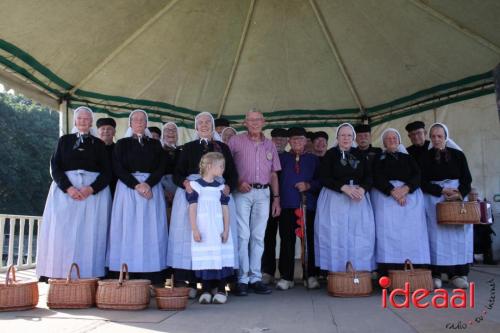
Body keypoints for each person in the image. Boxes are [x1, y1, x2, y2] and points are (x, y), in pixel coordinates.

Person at [168, 112, 239, 299]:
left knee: (218, 236)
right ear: (196, 127)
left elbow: (232, 173)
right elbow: (177, 173)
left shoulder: (222, 147)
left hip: (217, 196)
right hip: (193, 195)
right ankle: (192, 282)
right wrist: (186, 184)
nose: (205, 125)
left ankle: (218, 283)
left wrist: (228, 187)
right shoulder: (187, 148)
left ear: (213, 126)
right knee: (192, 237)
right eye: (201, 123)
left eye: (208, 122)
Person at [37, 106, 111, 280]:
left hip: (92, 195)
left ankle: (88, 275)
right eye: (80, 119)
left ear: (91, 121)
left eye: (87, 119)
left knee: (90, 234)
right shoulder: (64, 141)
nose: (83, 121)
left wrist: (91, 188)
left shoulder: (99, 144)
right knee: (63, 233)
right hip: (66, 193)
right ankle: (59, 273)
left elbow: (108, 171)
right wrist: (68, 187)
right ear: (75, 121)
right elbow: (55, 167)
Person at [107, 110, 168, 285]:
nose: (139, 122)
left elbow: (161, 166)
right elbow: (118, 167)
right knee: (128, 229)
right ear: (130, 123)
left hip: (151, 189)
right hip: (128, 189)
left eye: (143, 120)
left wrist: (148, 183)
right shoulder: (122, 144)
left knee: (151, 230)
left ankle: (152, 273)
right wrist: (137, 185)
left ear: (146, 123)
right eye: (136, 120)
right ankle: (126, 272)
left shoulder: (156, 145)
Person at [228, 108, 281, 296]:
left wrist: (276, 198)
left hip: (264, 193)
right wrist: (236, 182)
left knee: (259, 236)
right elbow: (226, 168)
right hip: (242, 192)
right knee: (243, 235)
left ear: (264, 122)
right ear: (245, 123)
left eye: (258, 119)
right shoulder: (235, 141)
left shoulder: (270, 145)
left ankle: (255, 278)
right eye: (251, 120)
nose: (255, 123)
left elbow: (274, 173)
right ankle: (242, 279)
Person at [315, 123, 375, 273]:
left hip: (358, 198)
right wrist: (343, 187)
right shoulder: (331, 154)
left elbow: (369, 176)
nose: (346, 138)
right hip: (334, 198)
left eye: (349, 135)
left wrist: (363, 189)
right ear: (337, 137)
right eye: (343, 135)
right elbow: (324, 177)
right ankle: (336, 270)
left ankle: (358, 270)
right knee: (335, 233)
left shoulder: (360, 154)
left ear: (353, 137)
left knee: (358, 234)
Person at [371, 128, 430, 276]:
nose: (392, 140)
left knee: (411, 234)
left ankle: (413, 272)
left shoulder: (408, 158)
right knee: (388, 235)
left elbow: (417, 175)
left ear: (399, 141)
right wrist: (392, 191)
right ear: (384, 142)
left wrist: (405, 189)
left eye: (394, 138)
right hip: (386, 199)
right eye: (388, 138)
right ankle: (388, 272)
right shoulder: (378, 158)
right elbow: (376, 176)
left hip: (409, 199)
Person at [421, 123, 473, 289]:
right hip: (434, 199)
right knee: (436, 237)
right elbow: (421, 181)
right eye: (433, 136)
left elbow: (467, 179)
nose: (436, 139)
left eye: (440, 136)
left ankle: (456, 273)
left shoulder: (458, 155)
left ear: (446, 137)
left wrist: (459, 193)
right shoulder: (425, 157)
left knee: (458, 235)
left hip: (456, 198)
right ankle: (436, 273)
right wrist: (440, 190)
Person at [275, 127, 321, 290]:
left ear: (305, 141)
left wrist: (308, 185)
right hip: (287, 205)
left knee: (308, 241)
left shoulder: (313, 159)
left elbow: (321, 181)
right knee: (287, 241)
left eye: (300, 139)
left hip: (307, 205)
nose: (297, 142)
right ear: (289, 142)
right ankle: (287, 277)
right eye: (294, 140)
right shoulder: (281, 159)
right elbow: (275, 180)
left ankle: (310, 275)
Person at [187, 152, 235, 304]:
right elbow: (192, 208)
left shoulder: (220, 187)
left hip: (218, 228)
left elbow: (225, 209)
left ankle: (221, 289)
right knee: (206, 258)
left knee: (219, 256)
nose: (223, 169)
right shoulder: (195, 186)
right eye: (220, 166)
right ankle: (206, 289)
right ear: (209, 166)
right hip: (203, 229)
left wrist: (226, 229)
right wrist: (194, 229)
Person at [261, 127, 288, 284]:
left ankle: (285, 273)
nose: (279, 141)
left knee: (286, 238)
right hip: (267, 200)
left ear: (287, 142)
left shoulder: (291, 157)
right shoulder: (265, 155)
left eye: (283, 139)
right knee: (267, 236)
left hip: (287, 202)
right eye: (276, 139)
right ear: (271, 140)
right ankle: (267, 271)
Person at [469, 188, 496, 265]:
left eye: (476, 194)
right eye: (472, 194)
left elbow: (491, 219)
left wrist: (488, 222)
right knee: (471, 234)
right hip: (471, 227)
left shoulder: (483, 204)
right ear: (468, 196)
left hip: (482, 227)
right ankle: (470, 259)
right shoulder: (466, 204)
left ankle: (488, 258)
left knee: (487, 232)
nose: (474, 196)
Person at [160, 122, 181, 209]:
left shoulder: (183, 151)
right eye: (167, 130)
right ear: (163, 134)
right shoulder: (157, 150)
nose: (171, 132)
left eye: (174, 130)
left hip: (180, 189)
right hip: (161, 188)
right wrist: (164, 191)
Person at [96, 117, 117, 195]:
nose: (106, 131)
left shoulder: (119, 148)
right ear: (98, 132)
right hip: (96, 185)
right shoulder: (92, 148)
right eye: (103, 128)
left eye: (109, 129)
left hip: (114, 186)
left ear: (114, 132)